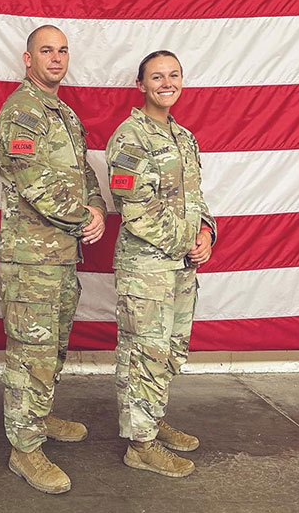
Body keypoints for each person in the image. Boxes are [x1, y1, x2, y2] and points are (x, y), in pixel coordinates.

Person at [0, 25, 107, 494]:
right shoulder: (22, 111)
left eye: (62, 50)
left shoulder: (63, 113)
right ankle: (24, 449)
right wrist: (84, 217)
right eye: (46, 50)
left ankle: (38, 414)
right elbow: (33, 183)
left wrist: (97, 206)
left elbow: (84, 174)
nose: (56, 58)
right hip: (31, 259)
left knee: (52, 347)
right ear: (28, 58)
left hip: (60, 256)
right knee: (31, 353)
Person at [105, 50, 217, 479]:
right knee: (145, 354)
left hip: (180, 267)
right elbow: (135, 208)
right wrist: (187, 243)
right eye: (156, 76)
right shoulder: (130, 138)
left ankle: (151, 419)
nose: (166, 83)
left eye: (173, 75)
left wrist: (206, 234)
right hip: (146, 269)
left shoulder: (183, 137)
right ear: (141, 85)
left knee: (170, 352)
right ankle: (141, 445)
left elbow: (196, 198)